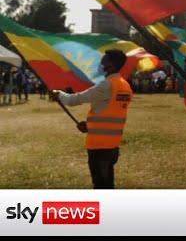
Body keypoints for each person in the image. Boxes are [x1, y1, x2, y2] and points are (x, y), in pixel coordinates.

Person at [50, 49, 133, 189]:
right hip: (112, 145)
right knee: (108, 184)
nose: (100, 64)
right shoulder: (125, 86)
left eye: (103, 62)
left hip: (99, 146)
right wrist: (90, 126)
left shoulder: (107, 85)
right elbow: (111, 113)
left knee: (101, 186)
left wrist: (58, 94)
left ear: (111, 65)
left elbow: (73, 100)